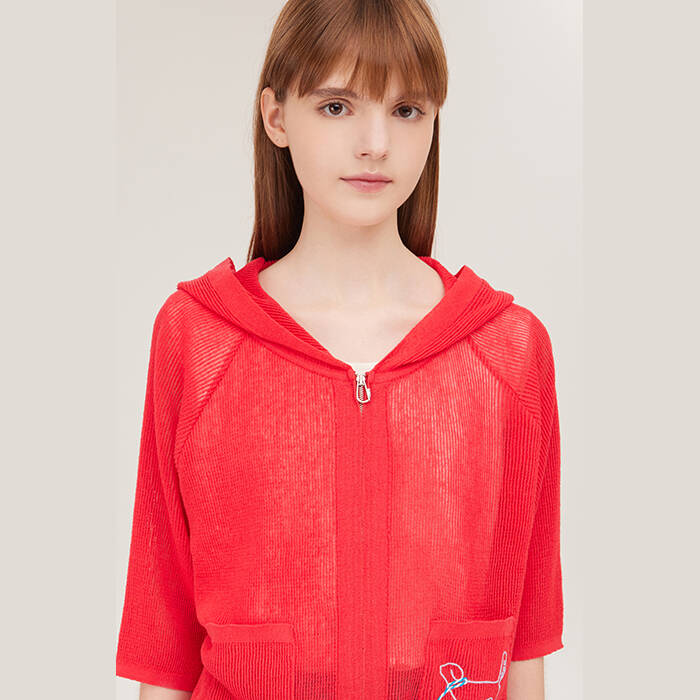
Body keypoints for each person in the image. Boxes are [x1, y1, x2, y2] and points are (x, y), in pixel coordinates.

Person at [116, 1, 564, 699]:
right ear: (276, 117)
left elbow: (524, 632)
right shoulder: (197, 338)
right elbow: (162, 633)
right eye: (336, 107)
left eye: (407, 110)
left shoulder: (508, 351)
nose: (376, 143)